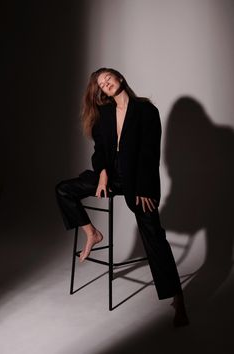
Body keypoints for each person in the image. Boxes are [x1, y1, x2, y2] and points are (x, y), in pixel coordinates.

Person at [55, 67, 189, 327]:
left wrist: (144, 189)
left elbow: (150, 155)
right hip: (110, 176)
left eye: (108, 78)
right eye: (101, 85)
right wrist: (103, 173)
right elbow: (100, 151)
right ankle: (91, 233)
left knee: (153, 235)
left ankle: (178, 298)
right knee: (63, 189)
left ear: (120, 78)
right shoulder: (103, 115)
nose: (105, 84)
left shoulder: (146, 111)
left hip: (138, 181)